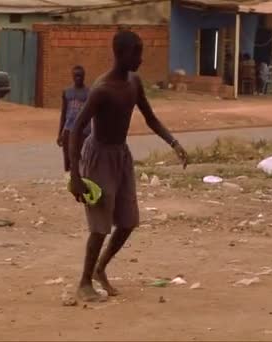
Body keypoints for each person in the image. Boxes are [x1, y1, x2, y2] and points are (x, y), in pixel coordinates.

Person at [68, 29, 189, 302]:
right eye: (137, 52)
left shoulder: (134, 82)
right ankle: (84, 282)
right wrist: (75, 175)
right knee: (100, 226)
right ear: (121, 54)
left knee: (128, 221)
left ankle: (100, 268)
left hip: (121, 155)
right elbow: (76, 130)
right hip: (98, 156)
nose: (141, 58)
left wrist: (174, 143)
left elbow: (150, 117)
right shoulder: (102, 90)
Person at [57, 65, 91, 172]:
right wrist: (60, 133)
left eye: (80, 76)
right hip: (69, 129)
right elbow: (64, 113)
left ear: (84, 76)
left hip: (83, 130)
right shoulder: (67, 92)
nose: (78, 78)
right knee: (67, 158)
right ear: (72, 76)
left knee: (81, 157)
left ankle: (82, 180)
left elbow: (92, 114)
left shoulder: (89, 93)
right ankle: (68, 180)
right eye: (76, 76)